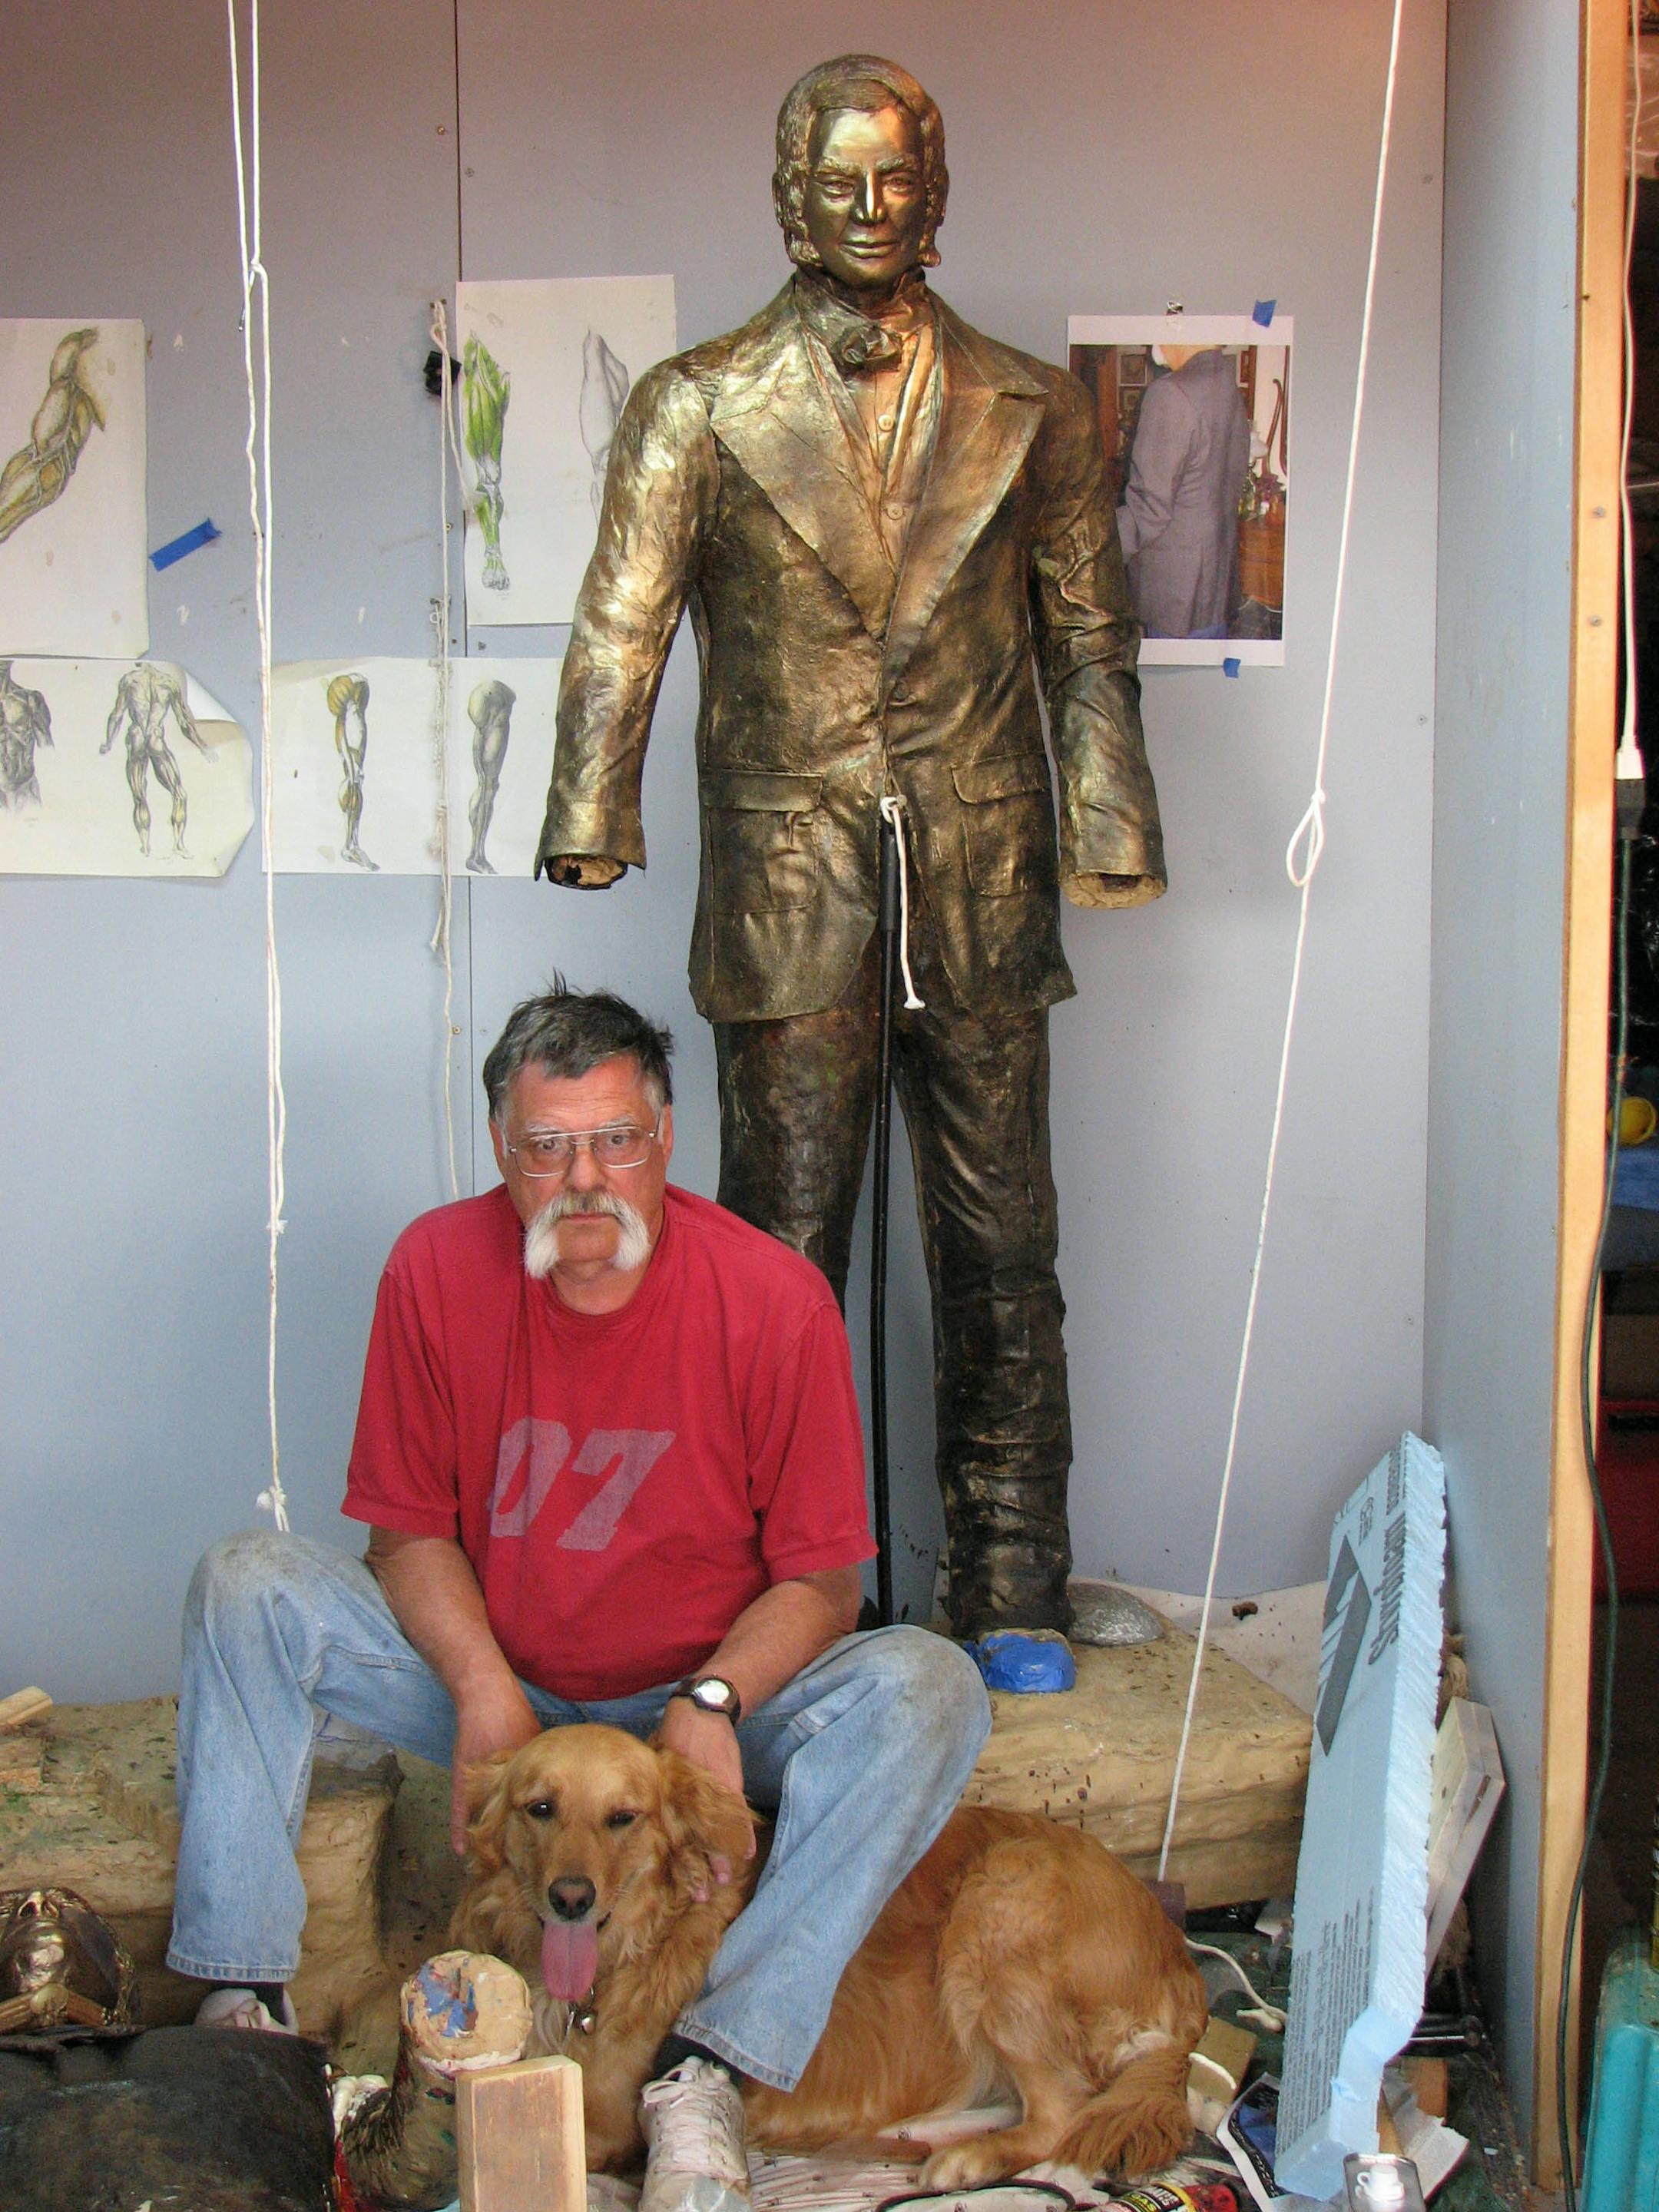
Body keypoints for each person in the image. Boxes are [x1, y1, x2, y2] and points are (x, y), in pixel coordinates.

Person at [167, 982, 991, 2212]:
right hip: (505, 1683)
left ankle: (709, 2067)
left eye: (615, 1140)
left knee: (931, 1685)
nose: (584, 1179)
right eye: (547, 1149)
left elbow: (824, 1579)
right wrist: (483, 1686)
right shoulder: (435, 1267)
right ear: (503, 1154)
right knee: (245, 1583)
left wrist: (714, 1699)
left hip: (684, 1713)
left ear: (667, 1142)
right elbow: (407, 1534)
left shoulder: (772, 1297)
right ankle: (245, 2003)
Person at [535, 56, 1166, 1639]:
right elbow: (625, 618)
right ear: (787, 199)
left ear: (938, 195)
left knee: (1004, 1246)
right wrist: (589, 811)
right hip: (788, 877)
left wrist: (1109, 825)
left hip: (981, 875)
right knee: (773, 1263)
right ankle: (772, 1605)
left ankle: (1011, 1584)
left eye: (898, 180)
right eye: (840, 184)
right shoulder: (695, 403)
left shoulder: (1036, 407)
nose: (873, 211)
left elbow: (1092, 639)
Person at [1115, 345, 1251, 640]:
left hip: (1175, 599)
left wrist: (1091, 542)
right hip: (1214, 591)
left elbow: (1147, 512)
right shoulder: (1225, 383)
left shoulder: (1171, 393)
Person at [101, 661, 214, 858]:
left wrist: (108, 743)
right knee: (179, 794)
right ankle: (178, 845)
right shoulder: (168, 683)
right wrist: (202, 746)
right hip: (156, 739)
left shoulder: (130, 680)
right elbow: (184, 722)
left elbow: (117, 715)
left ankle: (145, 846)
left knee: (139, 796)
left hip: (137, 739)